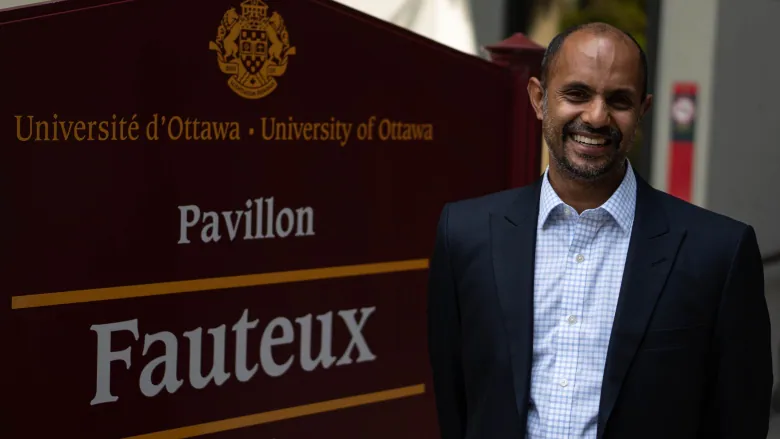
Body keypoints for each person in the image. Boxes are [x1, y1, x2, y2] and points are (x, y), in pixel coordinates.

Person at [426, 22, 772, 439]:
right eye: (576, 94)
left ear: (642, 110)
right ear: (539, 99)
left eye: (619, 100)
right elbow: (454, 398)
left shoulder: (719, 253)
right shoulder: (465, 235)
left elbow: (739, 418)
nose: (596, 116)